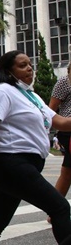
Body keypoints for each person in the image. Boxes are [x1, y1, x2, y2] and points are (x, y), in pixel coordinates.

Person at [0, 51, 71, 245]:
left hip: (25, 164)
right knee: (60, 208)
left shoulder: (31, 96)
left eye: (30, 64)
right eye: (22, 65)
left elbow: (61, 122)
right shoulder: (2, 91)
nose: (29, 68)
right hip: (12, 162)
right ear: (7, 70)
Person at [49, 65, 71, 208]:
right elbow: (50, 109)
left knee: (67, 171)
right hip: (68, 130)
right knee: (67, 171)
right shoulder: (64, 82)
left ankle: (55, 210)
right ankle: (55, 210)